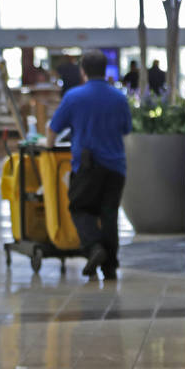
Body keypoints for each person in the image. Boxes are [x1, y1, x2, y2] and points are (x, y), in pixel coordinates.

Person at [48, 49, 132, 280]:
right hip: (116, 167)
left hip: (87, 166)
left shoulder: (74, 96)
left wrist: (49, 145)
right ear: (105, 70)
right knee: (109, 214)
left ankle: (94, 248)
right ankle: (110, 267)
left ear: (82, 70)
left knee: (80, 208)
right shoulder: (119, 98)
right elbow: (126, 129)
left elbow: (54, 128)